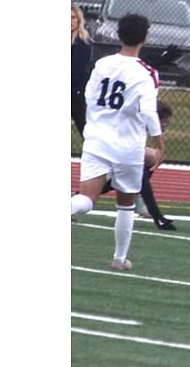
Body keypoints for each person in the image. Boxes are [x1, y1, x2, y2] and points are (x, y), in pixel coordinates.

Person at [71, 14, 165, 271]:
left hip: (96, 140)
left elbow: (89, 96)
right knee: (126, 204)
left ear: (118, 34)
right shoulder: (147, 73)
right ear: (144, 37)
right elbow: (148, 112)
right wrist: (159, 144)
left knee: (87, 200)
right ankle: (119, 259)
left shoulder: (102, 63)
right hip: (127, 147)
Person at [99, 100, 176, 230]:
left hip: (119, 149)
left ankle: (79, 196)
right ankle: (155, 214)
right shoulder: (134, 124)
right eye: (164, 120)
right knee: (140, 169)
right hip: (108, 148)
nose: (166, 125)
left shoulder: (138, 124)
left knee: (146, 164)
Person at [72, 3, 92, 136]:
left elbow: (75, 69)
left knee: (85, 130)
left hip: (76, 93)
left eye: (73, 17)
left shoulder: (82, 42)